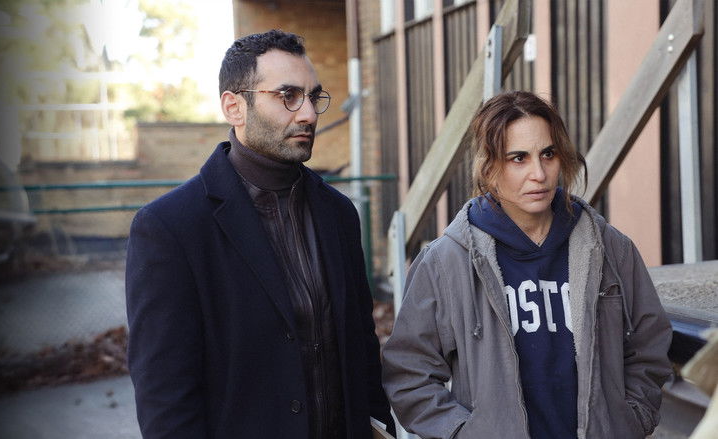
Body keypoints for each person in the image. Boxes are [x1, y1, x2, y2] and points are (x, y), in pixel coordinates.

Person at [126, 29, 394, 438]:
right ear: (234, 107)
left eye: (313, 97)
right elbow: (165, 398)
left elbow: (360, 348)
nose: (308, 114)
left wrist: (378, 425)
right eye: (288, 96)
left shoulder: (338, 214)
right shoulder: (170, 227)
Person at [381, 91, 672, 439]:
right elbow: (409, 373)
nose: (539, 173)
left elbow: (649, 346)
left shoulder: (610, 248)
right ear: (489, 167)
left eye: (548, 154)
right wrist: (463, 433)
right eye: (518, 158)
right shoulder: (447, 262)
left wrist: (629, 420)